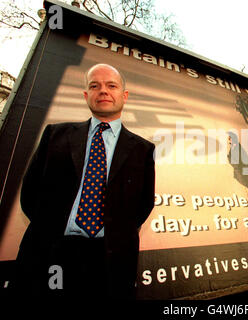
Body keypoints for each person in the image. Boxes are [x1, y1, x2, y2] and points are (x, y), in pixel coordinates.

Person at [13, 63, 155, 298]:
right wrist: (47, 231)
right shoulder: (54, 135)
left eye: (111, 85)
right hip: (50, 253)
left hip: (111, 259)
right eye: (94, 85)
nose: (103, 91)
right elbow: (30, 193)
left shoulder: (143, 149)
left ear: (124, 95)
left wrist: (118, 234)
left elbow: (143, 204)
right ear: (86, 95)